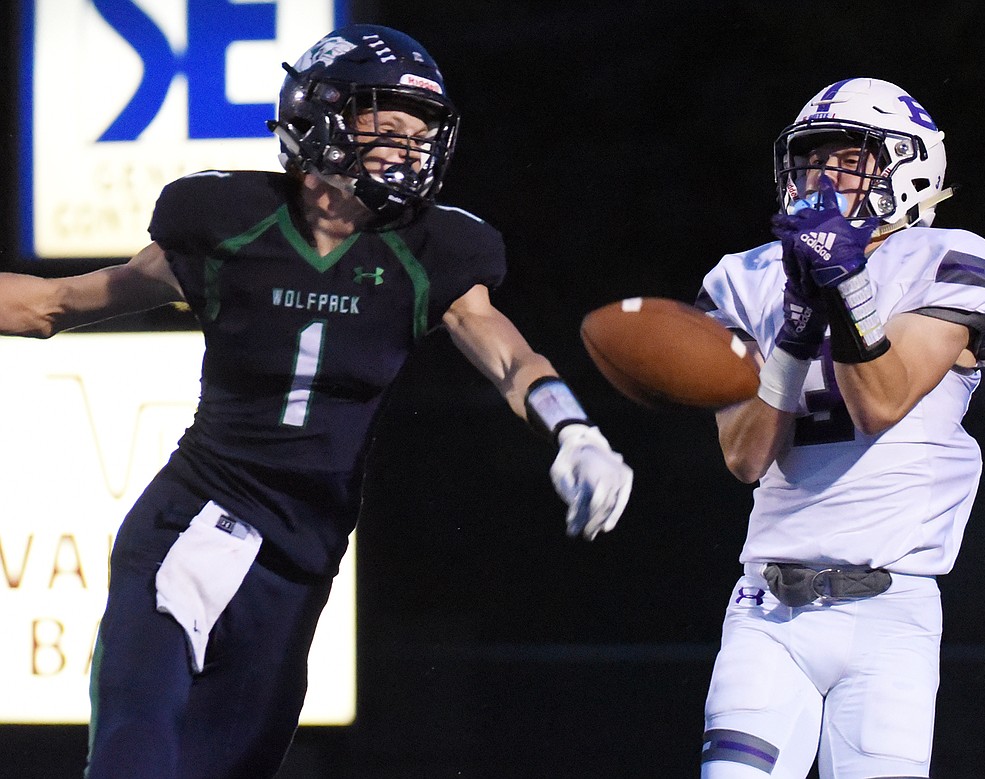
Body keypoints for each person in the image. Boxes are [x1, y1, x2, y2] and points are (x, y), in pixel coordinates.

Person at [0, 24, 633, 779]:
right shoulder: (231, 224)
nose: (409, 146)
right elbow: (51, 305)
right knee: (135, 752)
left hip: (300, 557)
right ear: (322, 116)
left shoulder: (428, 251)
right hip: (194, 520)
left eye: (421, 131)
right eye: (389, 124)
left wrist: (575, 429)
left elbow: (510, 356)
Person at [694, 78, 985, 778]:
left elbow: (882, 400)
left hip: (890, 610)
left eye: (849, 159)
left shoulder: (951, 257)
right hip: (765, 604)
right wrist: (797, 324)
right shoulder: (743, 277)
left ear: (909, 166)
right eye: (812, 161)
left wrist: (845, 285)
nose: (824, 177)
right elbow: (745, 456)